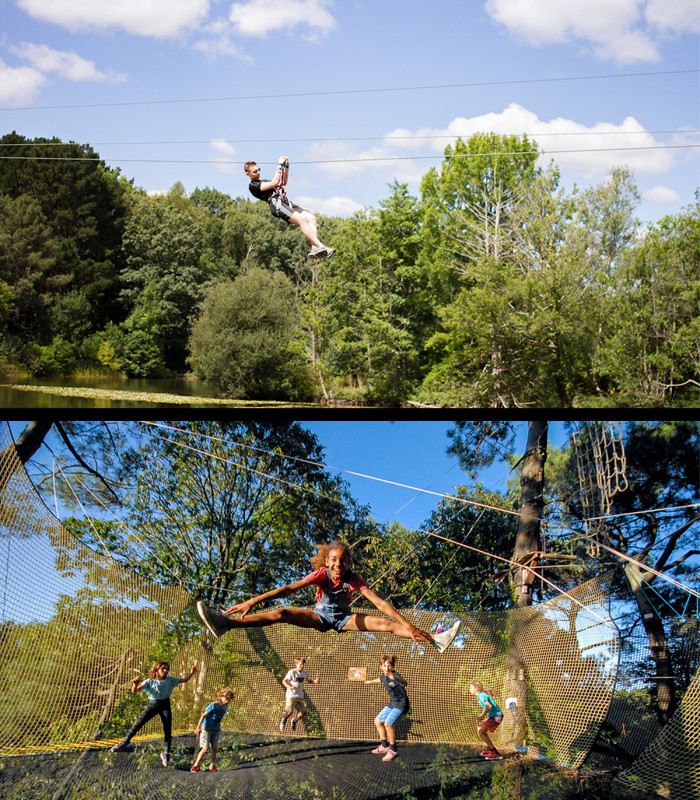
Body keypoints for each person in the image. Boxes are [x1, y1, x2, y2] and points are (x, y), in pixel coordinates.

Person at [197, 540, 460, 652]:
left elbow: (379, 603)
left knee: (388, 625)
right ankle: (225, 623)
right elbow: (286, 589)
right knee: (282, 613)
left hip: (344, 619)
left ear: (348, 563)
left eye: (343, 561)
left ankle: (434, 639)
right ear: (327, 560)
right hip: (321, 617)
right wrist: (252, 601)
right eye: (334, 560)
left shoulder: (353, 579)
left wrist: (410, 626)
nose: (338, 565)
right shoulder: (320, 574)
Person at [110, 661, 198, 766]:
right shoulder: (150, 681)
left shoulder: (170, 680)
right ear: (156, 670)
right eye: (163, 668)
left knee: (167, 728)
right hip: (153, 705)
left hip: (165, 704)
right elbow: (134, 691)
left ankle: (166, 753)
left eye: (167, 669)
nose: (165, 671)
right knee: (139, 723)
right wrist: (135, 684)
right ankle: (125, 742)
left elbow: (185, 680)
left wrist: (192, 672)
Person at [244, 157, 335, 260]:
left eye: (258, 170)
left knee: (311, 218)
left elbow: (282, 182)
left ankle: (314, 247)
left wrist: (286, 168)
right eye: (255, 171)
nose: (258, 173)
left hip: (287, 203)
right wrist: (279, 166)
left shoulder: (263, 181)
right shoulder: (253, 186)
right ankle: (320, 246)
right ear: (248, 174)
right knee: (302, 220)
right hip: (277, 205)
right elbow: (274, 183)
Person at [364, 655, 409, 762]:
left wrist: (395, 678)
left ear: (392, 667)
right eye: (385, 666)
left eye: (389, 665)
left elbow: (405, 682)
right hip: (392, 703)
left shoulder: (396, 675)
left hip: (402, 704)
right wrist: (370, 681)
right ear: (381, 667)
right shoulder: (383, 676)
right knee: (378, 721)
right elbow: (380, 679)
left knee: (388, 724)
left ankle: (393, 750)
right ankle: (384, 746)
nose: (387, 668)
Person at [190, 687, 234, 772]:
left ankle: (212, 766)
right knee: (205, 748)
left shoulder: (226, 707)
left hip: (216, 729)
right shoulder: (214, 705)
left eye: (229, 699)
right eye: (226, 698)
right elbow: (203, 715)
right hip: (206, 728)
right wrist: (198, 727)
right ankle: (195, 765)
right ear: (221, 697)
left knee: (214, 748)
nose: (227, 701)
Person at [279, 656, 320, 733]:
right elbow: (284, 681)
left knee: (304, 712)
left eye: (303, 664)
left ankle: (294, 721)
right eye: (300, 664)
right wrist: (290, 687)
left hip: (300, 696)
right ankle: (284, 720)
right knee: (289, 712)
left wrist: (315, 681)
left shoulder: (304, 673)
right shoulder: (292, 672)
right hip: (291, 696)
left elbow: (309, 681)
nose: (302, 666)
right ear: (296, 664)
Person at [469, 680, 504, 760]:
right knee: (480, 730)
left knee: (481, 731)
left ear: (476, 689)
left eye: (471, 688)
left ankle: (494, 752)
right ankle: (490, 749)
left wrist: (482, 716)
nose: (470, 690)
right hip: (494, 715)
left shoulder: (481, 695)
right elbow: (487, 707)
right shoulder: (481, 695)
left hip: (496, 716)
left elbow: (489, 706)